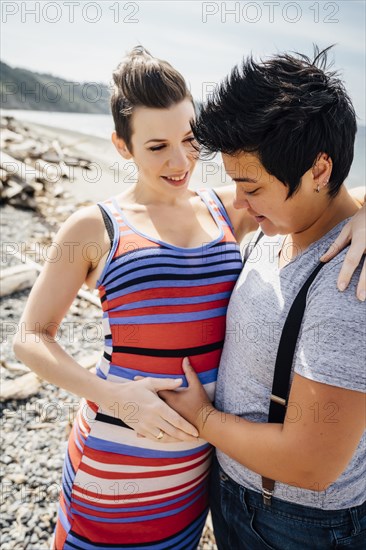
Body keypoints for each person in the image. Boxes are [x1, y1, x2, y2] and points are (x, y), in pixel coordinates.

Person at [12, 46, 364, 549]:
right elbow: (29, 336)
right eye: (157, 147)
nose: (180, 162)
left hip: (201, 465)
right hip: (119, 451)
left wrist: (363, 214)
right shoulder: (96, 225)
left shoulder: (227, 208)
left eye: (190, 139)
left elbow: (318, 194)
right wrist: (113, 396)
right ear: (120, 145)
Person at [160, 46, 366, 549]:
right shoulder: (279, 225)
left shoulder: (350, 288)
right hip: (235, 492)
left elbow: (311, 464)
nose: (239, 204)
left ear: (320, 171)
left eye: (249, 186)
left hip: (297, 523)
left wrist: (201, 417)